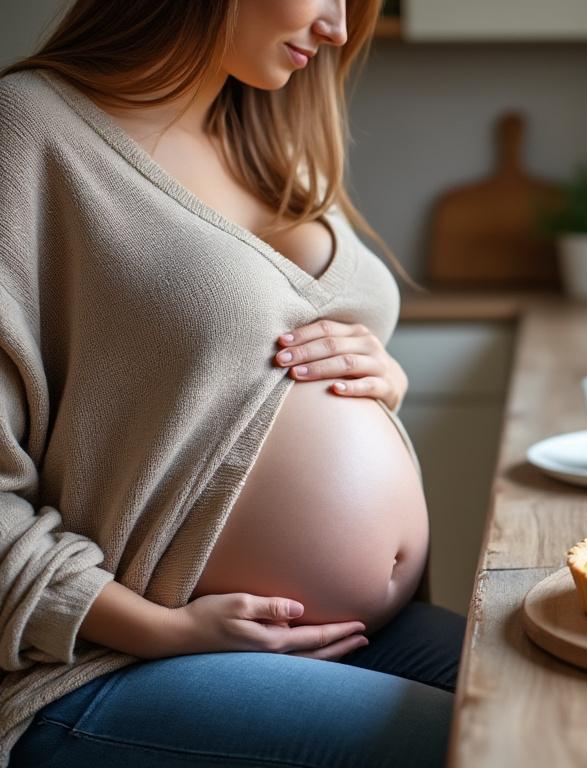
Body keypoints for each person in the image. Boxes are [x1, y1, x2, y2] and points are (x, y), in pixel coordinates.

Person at [0, 1, 464, 765]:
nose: (339, 29)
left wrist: (380, 379)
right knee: (488, 742)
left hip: (351, 633)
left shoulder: (265, 137)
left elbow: (235, 378)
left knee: (565, 694)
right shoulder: (31, 132)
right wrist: (163, 630)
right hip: (112, 664)